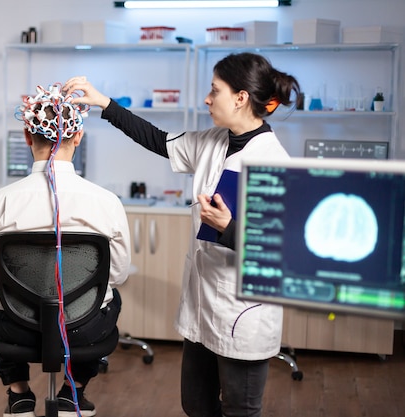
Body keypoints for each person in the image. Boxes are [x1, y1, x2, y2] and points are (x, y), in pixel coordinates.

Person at [64, 52, 301, 417]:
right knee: (196, 405)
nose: (207, 99)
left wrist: (229, 229)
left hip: (244, 312)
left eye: (214, 90)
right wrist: (104, 104)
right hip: (203, 305)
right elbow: (157, 140)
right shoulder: (212, 141)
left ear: (240, 98)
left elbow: (283, 252)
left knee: (240, 409)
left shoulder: (274, 162)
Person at [0, 84, 131, 417]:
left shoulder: (0, 201)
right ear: (78, 137)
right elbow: (117, 274)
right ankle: (75, 390)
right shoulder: (106, 202)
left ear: (28, 137)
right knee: (111, 297)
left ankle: (18, 392)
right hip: (83, 330)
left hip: (16, 329)